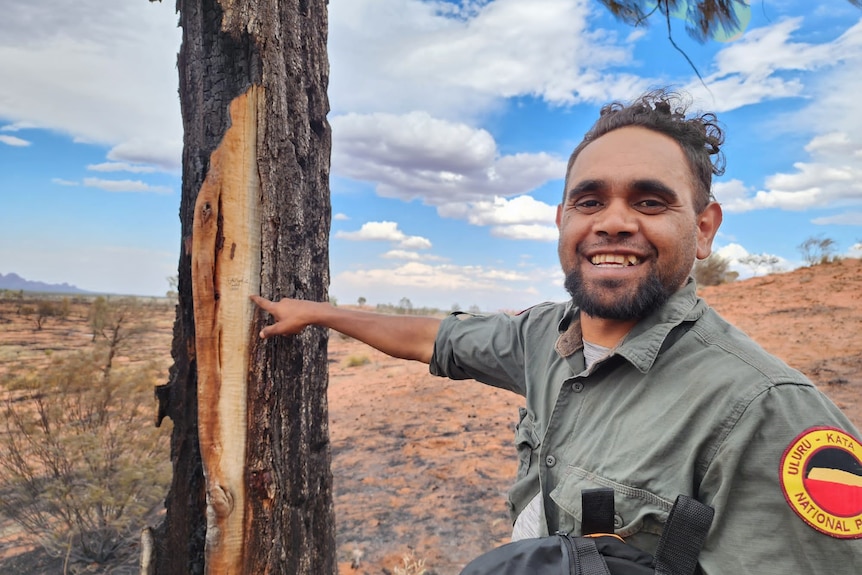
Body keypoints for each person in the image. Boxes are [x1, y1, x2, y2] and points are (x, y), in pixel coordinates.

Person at [250, 89, 862, 573]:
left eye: (650, 202)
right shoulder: (546, 336)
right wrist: (321, 313)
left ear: (704, 228)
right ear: (563, 219)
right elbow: (434, 339)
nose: (614, 223)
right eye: (590, 202)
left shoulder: (767, 413)